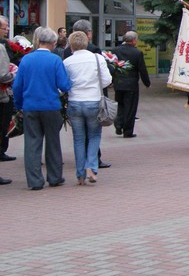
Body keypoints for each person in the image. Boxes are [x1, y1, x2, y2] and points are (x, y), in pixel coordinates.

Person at [12, 27, 72, 190]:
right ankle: (54, 177)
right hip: (51, 106)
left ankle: (34, 181)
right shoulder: (55, 60)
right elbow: (64, 85)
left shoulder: (26, 60)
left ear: (38, 42)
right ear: (53, 43)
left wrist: (19, 105)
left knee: (32, 143)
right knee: (53, 142)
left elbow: (17, 86)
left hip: (30, 106)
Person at [63, 31, 112, 185]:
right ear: (86, 43)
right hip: (93, 100)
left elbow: (64, 84)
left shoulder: (67, 62)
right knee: (94, 136)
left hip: (75, 101)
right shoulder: (97, 58)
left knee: (78, 139)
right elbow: (107, 80)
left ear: (71, 45)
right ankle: (91, 166)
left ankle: (80, 174)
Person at [112, 30, 151, 138]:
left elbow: (111, 66)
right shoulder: (137, 53)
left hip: (118, 83)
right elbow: (142, 69)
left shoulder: (115, 50)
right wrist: (147, 83)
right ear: (133, 41)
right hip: (131, 85)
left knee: (120, 104)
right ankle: (127, 131)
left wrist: (111, 81)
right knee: (130, 107)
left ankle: (119, 124)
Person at [0, 16, 16, 183]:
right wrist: (14, 74)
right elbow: (3, 75)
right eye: (4, 27)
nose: (7, 30)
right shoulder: (0, 48)